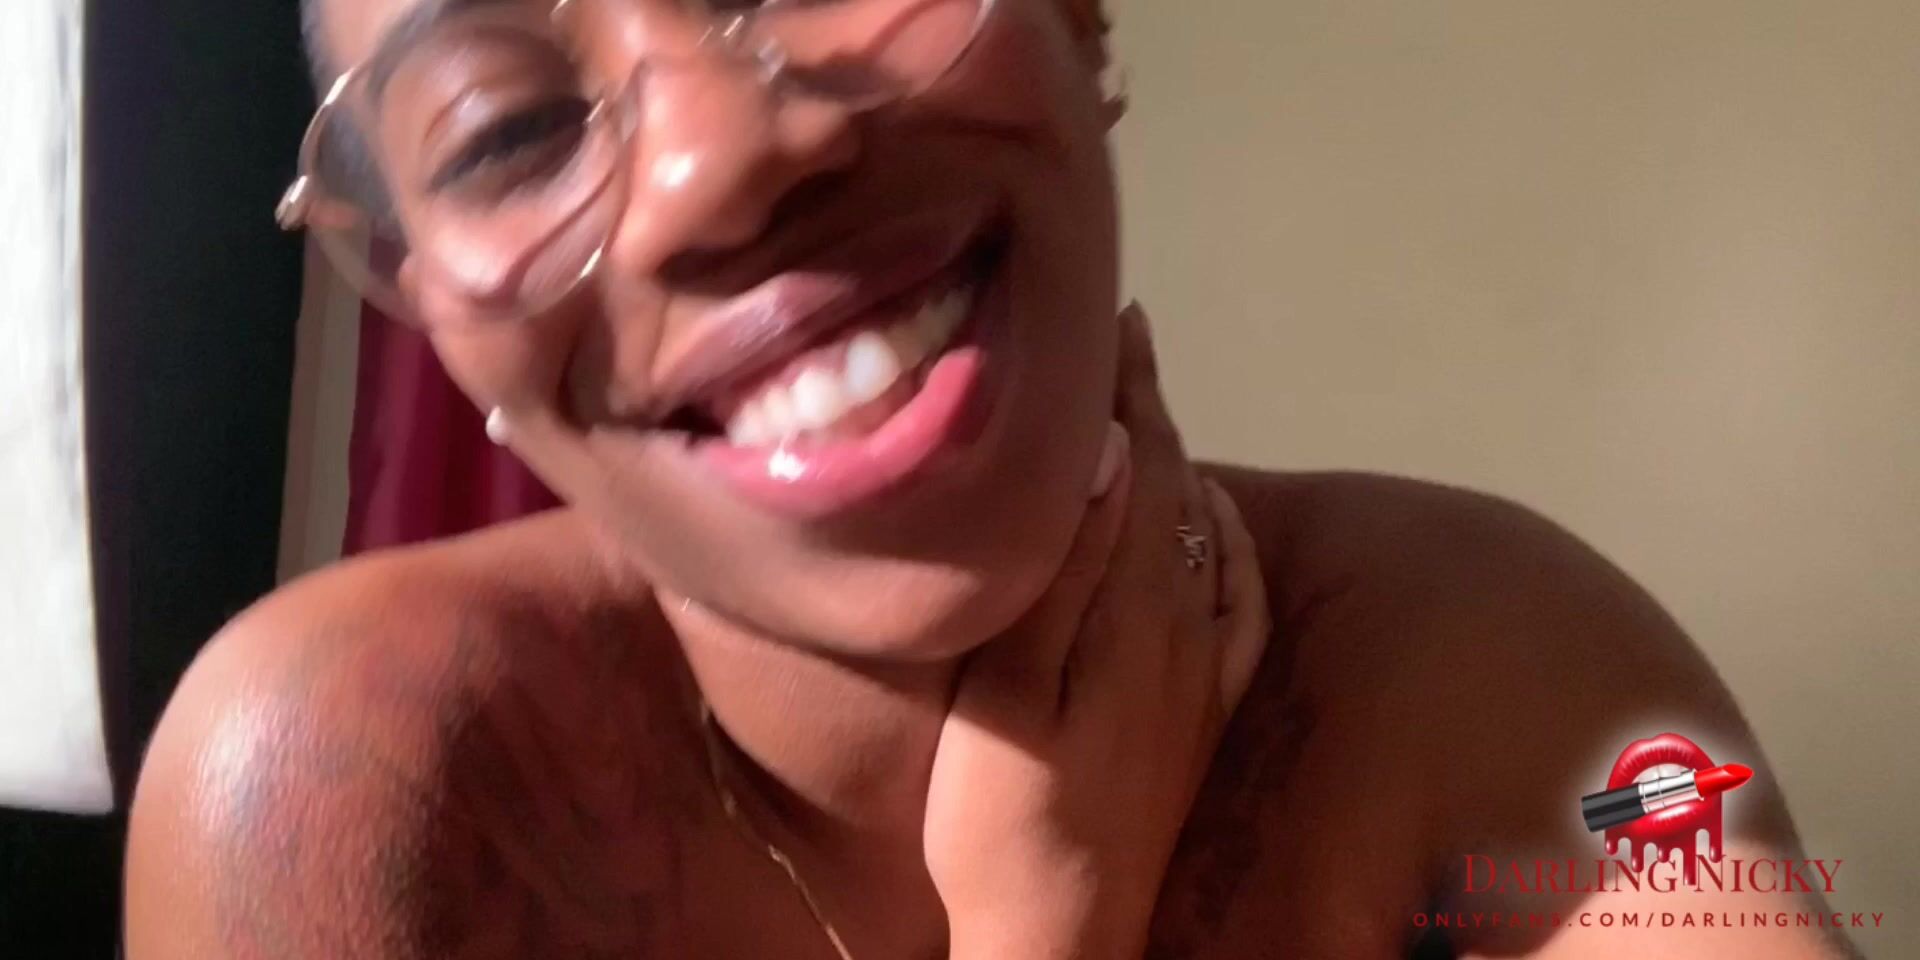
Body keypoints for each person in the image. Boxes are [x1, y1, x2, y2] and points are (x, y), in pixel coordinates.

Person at [126, 0, 1858, 957]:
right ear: (440, 324)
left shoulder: (1492, 671)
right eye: (508, 134)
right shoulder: (344, 784)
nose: (718, 161)